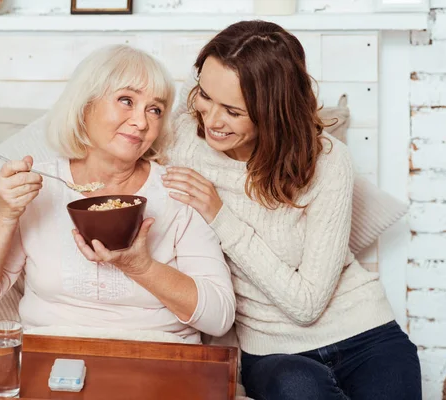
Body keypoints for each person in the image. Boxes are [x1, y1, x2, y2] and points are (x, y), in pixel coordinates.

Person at [161, 20, 422, 399]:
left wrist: (220, 215)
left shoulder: (327, 161)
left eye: (233, 111)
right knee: (296, 387)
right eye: (205, 96)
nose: (212, 120)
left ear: (272, 110)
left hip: (365, 332)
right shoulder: (184, 140)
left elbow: (307, 304)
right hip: (273, 351)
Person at [0, 45, 236, 344]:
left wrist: (141, 267)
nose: (141, 122)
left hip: (157, 358)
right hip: (51, 356)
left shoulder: (178, 190)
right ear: (85, 104)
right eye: (126, 100)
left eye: (155, 109)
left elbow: (219, 317)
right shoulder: (38, 187)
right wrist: (4, 215)